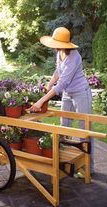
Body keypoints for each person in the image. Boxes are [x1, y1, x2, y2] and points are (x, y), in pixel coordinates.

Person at [29, 27, 94, 173]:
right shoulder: (59, 53)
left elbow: (63, 82)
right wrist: (49, 83)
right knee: (64, 127)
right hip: (67, 95)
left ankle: (89, 167)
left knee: (85, 130)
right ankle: (68, 162)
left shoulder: (75, 57)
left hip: (80, 93)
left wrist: (40, 101)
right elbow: (58, 71)